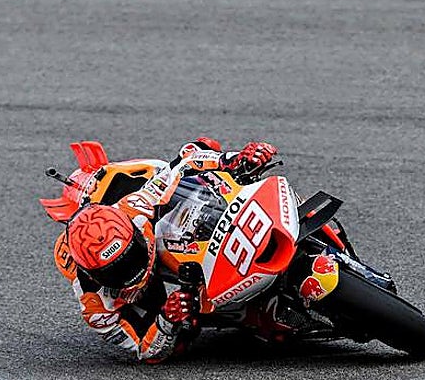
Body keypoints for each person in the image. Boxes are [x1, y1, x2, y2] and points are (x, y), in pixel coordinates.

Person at [47, 137, 278, 362]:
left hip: (175, 228)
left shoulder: (135, 207)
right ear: (91, 274)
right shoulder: (96, 308)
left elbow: (186, 160)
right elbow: (143, 350)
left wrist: (235, 160)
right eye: (114, 272)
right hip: (147, 300)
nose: (129, 272)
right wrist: (167, 319)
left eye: (130, 257)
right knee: (182, 337)